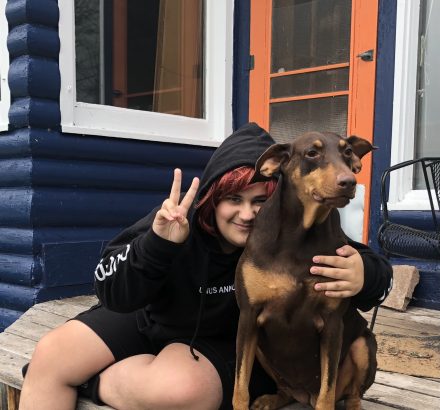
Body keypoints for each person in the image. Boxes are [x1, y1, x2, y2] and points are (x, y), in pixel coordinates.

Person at [19, 123, 393, 410]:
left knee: (180, 392)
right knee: (51, 354)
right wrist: (157, 246)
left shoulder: (295, 233)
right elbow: (110, 287)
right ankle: (79, 375)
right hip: (152, 315)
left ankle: (91, 383)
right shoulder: (180, 217)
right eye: (233, 199)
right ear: (213, 197)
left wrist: (366, 275)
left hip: (215, 338)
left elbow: (367, 264)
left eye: (260, 200)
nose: (247, 214)